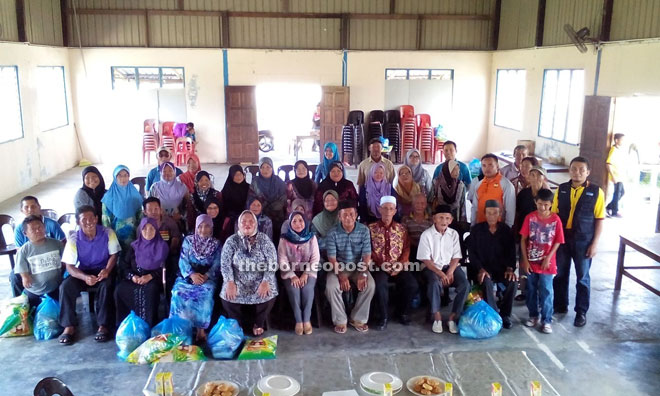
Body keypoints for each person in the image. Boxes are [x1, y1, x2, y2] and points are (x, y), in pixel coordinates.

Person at [551, 157, 605, 327]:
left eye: (582, 169)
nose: (577, 172)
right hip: (563, 239)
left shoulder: (596, 192)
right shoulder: (562, 189)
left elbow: (599, 219)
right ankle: (560, 305)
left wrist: (594, 243)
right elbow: (554, 215)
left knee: (582, 277)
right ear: (570, 170)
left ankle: (581, 312)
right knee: (560, 273)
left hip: (584, 240)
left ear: (588, 172)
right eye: (574, 169)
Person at [58, 205, 121, 345]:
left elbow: (114, 255)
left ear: (96, 218)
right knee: (66, 286)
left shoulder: (107, 232)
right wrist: (84, 277)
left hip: (104, 269)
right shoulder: (74, 239)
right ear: (78, 222)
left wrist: (107, 270)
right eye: (83, 219)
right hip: (84, 271)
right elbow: (69, 266)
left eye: (91, 218)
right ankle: (69, 326)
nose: (88, 222)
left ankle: (103, 325)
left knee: (107, 285)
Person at [221, 210, 278, 336]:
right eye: (244, 221)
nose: (247, 224)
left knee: (270, 290)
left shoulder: (264, 240)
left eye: (251, 221)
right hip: (238, 279)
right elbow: (225, 264)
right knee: (227, 294)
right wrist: (230, 281)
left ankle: (258, 323)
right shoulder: (232, 241)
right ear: (239, 224)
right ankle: (237, 323)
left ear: (256, 224)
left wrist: (265, 281)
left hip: (259, 278)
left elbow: (272, 262)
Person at [169, 214, 222, 342]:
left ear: (211, 228)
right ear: (196, 227)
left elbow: (217, 264)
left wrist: (206, 276)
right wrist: (192, 275)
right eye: (200, 227)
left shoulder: (216, 244)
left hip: (207, 278)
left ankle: (200, 330)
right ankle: (180, 329)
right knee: (178, 293)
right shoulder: (188, 240)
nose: (203, 230)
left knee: (205, 295)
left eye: (207, 226)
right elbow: (183, 261)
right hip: (187, 276)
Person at [368, 196, 418, 330]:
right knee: (380, 285)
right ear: (380, 209)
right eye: (385, 208)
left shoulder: (401, 229)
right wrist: (382, 264)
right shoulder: (371, 228)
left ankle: (402, 313)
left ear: (395, 211)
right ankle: (383, 317)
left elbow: (406, 248)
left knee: (412, 284)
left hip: (398, 266)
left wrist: (400, 264)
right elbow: (369, 249)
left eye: (391, 209)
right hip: (379, 267)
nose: (388, 212)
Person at [325, 200, 375, 334]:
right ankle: (340, 320)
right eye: (344, 215)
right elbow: (332, 259)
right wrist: (341, 276)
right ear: (339, 217)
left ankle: (358, 318)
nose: (348, 217)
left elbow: (366, 255)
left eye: (351, 214)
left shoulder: (364, 230)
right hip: (338, 268)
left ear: (356, 215)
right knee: (332, 287)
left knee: (369, 285)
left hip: (358, 267)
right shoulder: (332, 233)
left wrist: (363, 274)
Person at [417, 204, 468, 334]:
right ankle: (437, 316)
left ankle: (452, 317)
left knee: (465, 285)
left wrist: (450, 272)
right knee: (434, 283)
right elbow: (426, 260)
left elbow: (457, 256)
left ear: (451, 220)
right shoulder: (426, 235)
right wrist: (441, 274)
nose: (443, 221)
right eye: (440, 218)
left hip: (450, 267)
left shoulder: (454, 234)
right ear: (434, 219)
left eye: (447, 218)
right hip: (432, 268)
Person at [521, 189, 565, 334]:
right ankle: (533, 316)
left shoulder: (556, 220)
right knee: (531, 289)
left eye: (546, 205)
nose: (543, 207)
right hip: (531, 261)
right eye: (540, 204)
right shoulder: (530, 218)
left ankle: (547, 320)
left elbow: (558, 241)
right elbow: (523, 239)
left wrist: (548, 258)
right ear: (536, 202)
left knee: (546, 290)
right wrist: (525, 261)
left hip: (548, 263)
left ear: (551, 204)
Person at [468, 200, 518, 329]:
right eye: (489, 213)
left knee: (513, 282)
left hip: (501, 269)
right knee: (486, 282)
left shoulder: (506, 230)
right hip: (483, 269)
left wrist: (510, 268)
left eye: (495, 213)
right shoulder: (477, 230)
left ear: (499, 214)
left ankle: (506, 315)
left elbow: (512, 252)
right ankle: (493, 314)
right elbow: (472, 254)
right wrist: (480, 269)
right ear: (484, 214)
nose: (492, 216)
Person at [114, 217, 168, 327]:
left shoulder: (162, 246)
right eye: (145, 229)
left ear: (156, 230)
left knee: (150, 290)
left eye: (152, 228)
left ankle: (147, 325)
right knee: (120, 290)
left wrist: (150, 276)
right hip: (134, 278)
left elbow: (165, 268)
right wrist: (132, 276)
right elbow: (124, 265)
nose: (148, 232)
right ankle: (127, 325)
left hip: (153, 279)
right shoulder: (134, 246)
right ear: (140, 230)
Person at [11, 196, 66, 297]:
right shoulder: (20, 229)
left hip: (51, 261)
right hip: (31, 263)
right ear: (22, 210)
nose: (30, 210)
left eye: (33, 206)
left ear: (39, 207)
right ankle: (20, 302)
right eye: (26, 207)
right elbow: (20, 255)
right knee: (14, 276)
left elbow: (63, 245)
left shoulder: (52, 224)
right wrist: (25, 275)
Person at [278, 211, 320, 335]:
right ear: (289, 224)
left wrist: (306, 273)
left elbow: (315, 258)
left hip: (308, 271)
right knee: (294, 289)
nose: (298, 224)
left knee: (307, 289)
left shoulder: (311, 237)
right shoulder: (284, 238)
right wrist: (292, 276)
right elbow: (282, 259)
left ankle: (306, 320)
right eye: (294, 221)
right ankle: (298, 320)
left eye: (300, 220)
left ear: (305, 222)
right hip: (289, 272)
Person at [514, 165, 548, 301]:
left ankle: (539, 293)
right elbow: (517, 212)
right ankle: (524, 291)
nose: (535, 178)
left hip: (542, 237)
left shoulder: (546, 195)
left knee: (540, 263)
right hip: (525, 233)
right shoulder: (523, 194)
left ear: (543, 178)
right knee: (524, 263)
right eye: (532, 175)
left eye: (538, 175)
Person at [15, 215, 63, 308]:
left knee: (59, 308)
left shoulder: (57, 244)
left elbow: (65, 261)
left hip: (55, 286)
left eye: (40, 227)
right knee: (29, 312)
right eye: (33, 229)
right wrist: (25, 276)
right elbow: (22, 268)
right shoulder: (24, 250)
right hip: (34, 290)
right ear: (25, 233)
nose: (38, 231)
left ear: (44, 227)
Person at [143, 197, 182, 292]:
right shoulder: (142, 226)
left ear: (160, 209)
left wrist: (168, 252)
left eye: (156, 209)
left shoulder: (169, 222)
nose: (153, 212)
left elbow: (175, 238)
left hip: (168, 253)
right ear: (145, 212)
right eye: (150, 210)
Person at [101, 165, 144, 252]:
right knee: (119, 257)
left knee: (132, 254)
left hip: (133, 232)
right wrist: (109, 236)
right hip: (115, 234)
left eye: (125, 175)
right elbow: (106, 219)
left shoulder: (134, 193)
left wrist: (141, 231)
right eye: (119, 175)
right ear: (115, 177)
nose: (123, 178)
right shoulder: (109, 197)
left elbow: (140, 214)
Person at [468, 154, 516, 227]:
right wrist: (473, 225)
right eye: (484, 166)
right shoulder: (479, 185)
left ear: (497, 166)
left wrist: (507, 229)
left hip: (498, 229)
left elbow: (510, 210)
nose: (487, 168)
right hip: (480, 227)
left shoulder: (506, 185)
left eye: (490, 165)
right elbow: (475, 207)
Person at [249, 157, 287, 240]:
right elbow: (251, 198)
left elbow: (283, 198)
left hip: (277, 214)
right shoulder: (255, 182)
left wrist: (272, 207)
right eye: (262, 167)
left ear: (272, 168)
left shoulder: (279, 181)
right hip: (260, 214)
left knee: (277, 235)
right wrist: (262, 207)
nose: (265, 170)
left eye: (268, 167)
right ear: (259, 169)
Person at [402, 193, 433, 262]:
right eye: (417, 203)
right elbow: (404, 235)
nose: (419, 206)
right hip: (411, 249)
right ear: (412, 205)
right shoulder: (405, 219)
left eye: (422, 203)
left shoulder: (431, 220)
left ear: (426, 205)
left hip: (426, 249)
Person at [220, 165, 250, 234]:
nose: (239, 177)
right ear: (231, 176)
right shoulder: (227, 189)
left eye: (240, 174)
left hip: (246, 215)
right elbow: (224, 207)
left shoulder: (249, 187)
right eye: (236, 175)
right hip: (231, 217)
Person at [311, 190, 339, 260]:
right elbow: (314, 241)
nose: (330, 202)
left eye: (333, 199)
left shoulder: (344, 217)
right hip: (322, 254)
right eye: (327, 200)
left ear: (338, 201)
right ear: (323, 203)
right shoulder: (317, 220)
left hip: (342, 255)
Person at [606, 133, 626, 217]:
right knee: (617, 193)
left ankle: (609, 206)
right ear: (616, 140)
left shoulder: (619, 150)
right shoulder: (613, 149)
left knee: (622, 192)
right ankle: (614, 212)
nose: (623, 142)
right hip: (615, 176)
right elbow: (608, 163)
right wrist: (613, 176)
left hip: (620, 176)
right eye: (622, 140)